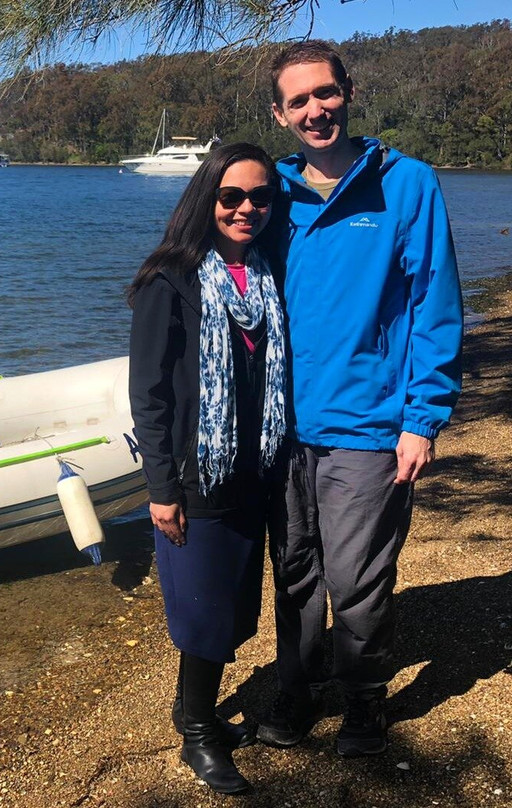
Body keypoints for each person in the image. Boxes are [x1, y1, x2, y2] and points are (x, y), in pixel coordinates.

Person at [256, 40, 464, 757]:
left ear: (347, 91)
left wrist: (422, 419)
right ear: (280, 115)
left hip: (369, 423)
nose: (317, 110)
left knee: (358, 575)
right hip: (281, 428)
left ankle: (365, 698)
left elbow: (435, 307)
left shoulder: (406, 184)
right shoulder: (271, 193)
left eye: (327, 93)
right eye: (300, 100)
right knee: (295, 572)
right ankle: (298, 684)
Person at [128, 142, 287, 794]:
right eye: (232, 196)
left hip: (255, 471)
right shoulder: (170, 281)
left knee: (235, 609)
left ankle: (189, 708)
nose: (246, 208)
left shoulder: (269, 276)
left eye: (259, 197)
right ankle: (197, 732)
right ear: (206, 200)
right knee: (204, 610)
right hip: (196, 478)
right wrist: (161, 489)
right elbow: (150, 395)